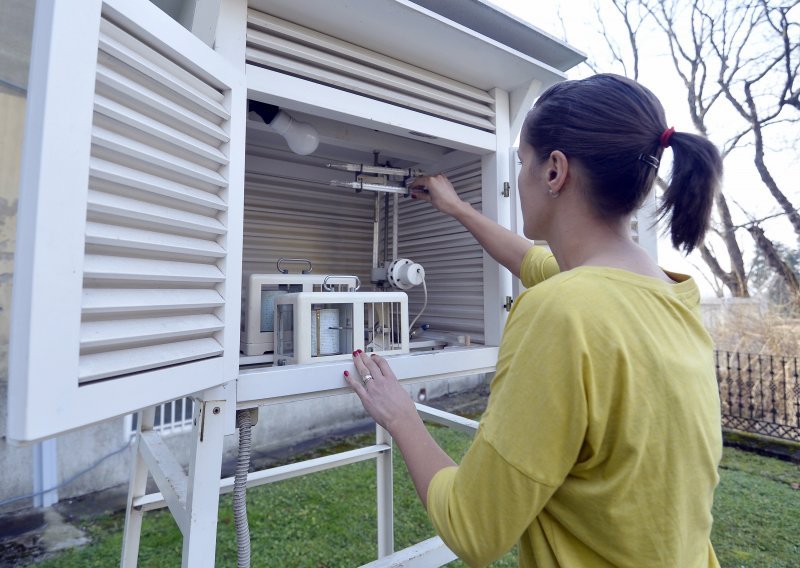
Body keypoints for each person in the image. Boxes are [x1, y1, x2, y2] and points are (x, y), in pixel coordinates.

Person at [343, 73, 724, 567]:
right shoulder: (672, 295)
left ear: (554, 172)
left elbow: (473, 528)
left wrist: (401, 416)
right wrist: (458, 209)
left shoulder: (562, 312)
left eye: (523, 161)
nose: (518, 177)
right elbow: (532, 261)